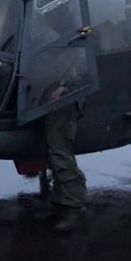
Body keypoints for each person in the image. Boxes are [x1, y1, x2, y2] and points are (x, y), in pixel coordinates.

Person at [44, 83, 87, 232]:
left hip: (63, 103)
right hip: (47, 103)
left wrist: (63, 89)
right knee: (53, 154)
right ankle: (61, 201)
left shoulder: (64, 59)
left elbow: (77, 73)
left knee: (60, 154)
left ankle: (74, 206)